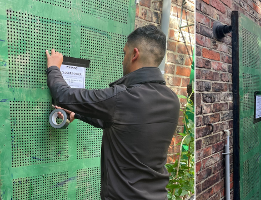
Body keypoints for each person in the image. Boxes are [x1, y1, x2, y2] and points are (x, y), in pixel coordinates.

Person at [46, 25, 180, 200]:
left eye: (125, 53)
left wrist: (54, 68)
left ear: (134, 54)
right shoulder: (172, 99)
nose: (123, 59)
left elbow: (63, 95)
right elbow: (119, 123)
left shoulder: (124, 97)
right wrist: (77, 113)